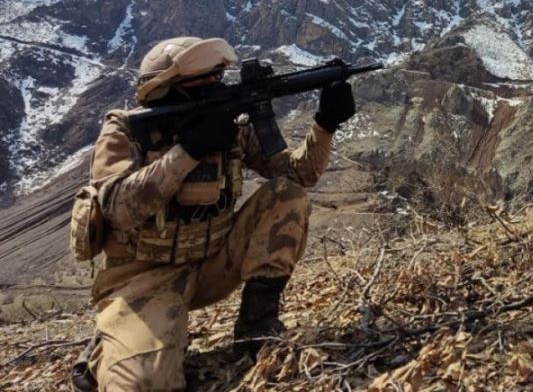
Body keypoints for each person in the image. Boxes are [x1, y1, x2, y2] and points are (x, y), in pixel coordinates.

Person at [72, 36, 355, 391]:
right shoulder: (126, 130)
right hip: (142, 278)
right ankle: (108, 345)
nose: (214, 86)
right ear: (166, 89)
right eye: (201, 81)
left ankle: (256, 328)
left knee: (286, 195)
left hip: (213, 262)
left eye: (217, 78)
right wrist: (188, 150)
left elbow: (298, 175)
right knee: (147, 385)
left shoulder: (232, 126)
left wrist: (325, 124)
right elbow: (118, 210)